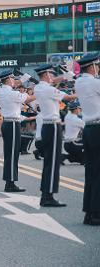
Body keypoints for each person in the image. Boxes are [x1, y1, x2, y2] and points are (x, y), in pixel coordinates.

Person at [34, 64, 77, 207]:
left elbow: (53, 84)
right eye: (51, 74)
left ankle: (45, 194)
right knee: (53, 162)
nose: (52, 77)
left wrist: (64, 77)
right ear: (46, 75)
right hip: (53, 126)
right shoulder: (49, 89)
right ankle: (48, 196)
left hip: (47, 126)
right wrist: (81, 91)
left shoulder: (39, 88)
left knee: (48, 162)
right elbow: (70, 97)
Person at [0, 69, 36, 192]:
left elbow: (15, 85)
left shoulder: (0, 90)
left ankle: (9, 182)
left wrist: (22, 80)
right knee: (13, 155)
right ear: (8, 79)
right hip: (13, 124)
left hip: (8, 124)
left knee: (9, 154)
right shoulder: (12, 93)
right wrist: (41, 91)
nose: (14, 80)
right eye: (12, 78)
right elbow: (28, 99)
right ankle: (10, 183)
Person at [75, 53, 100, 225]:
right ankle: (96, 213)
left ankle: (88, 212)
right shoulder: (94, 82)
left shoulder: (79, 82)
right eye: (97, 65)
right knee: (98, 173)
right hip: (98, 128)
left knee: (91, 172)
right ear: (92, 66)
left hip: (88, 129)